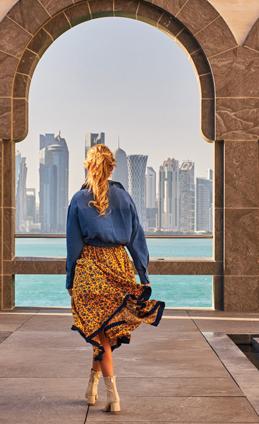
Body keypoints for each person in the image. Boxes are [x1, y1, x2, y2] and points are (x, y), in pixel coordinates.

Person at [66, 144, 165, 413]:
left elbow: (73, 245)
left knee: (100, 332)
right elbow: (137, 239)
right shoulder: (125, 198)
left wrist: (70, 279)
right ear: (112, 168)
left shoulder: (78, 199)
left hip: (90, 267)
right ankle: (92, 387)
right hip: (119, 264)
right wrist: (143, 275)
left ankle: (113, 395)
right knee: (104, 331)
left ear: (87, 166)